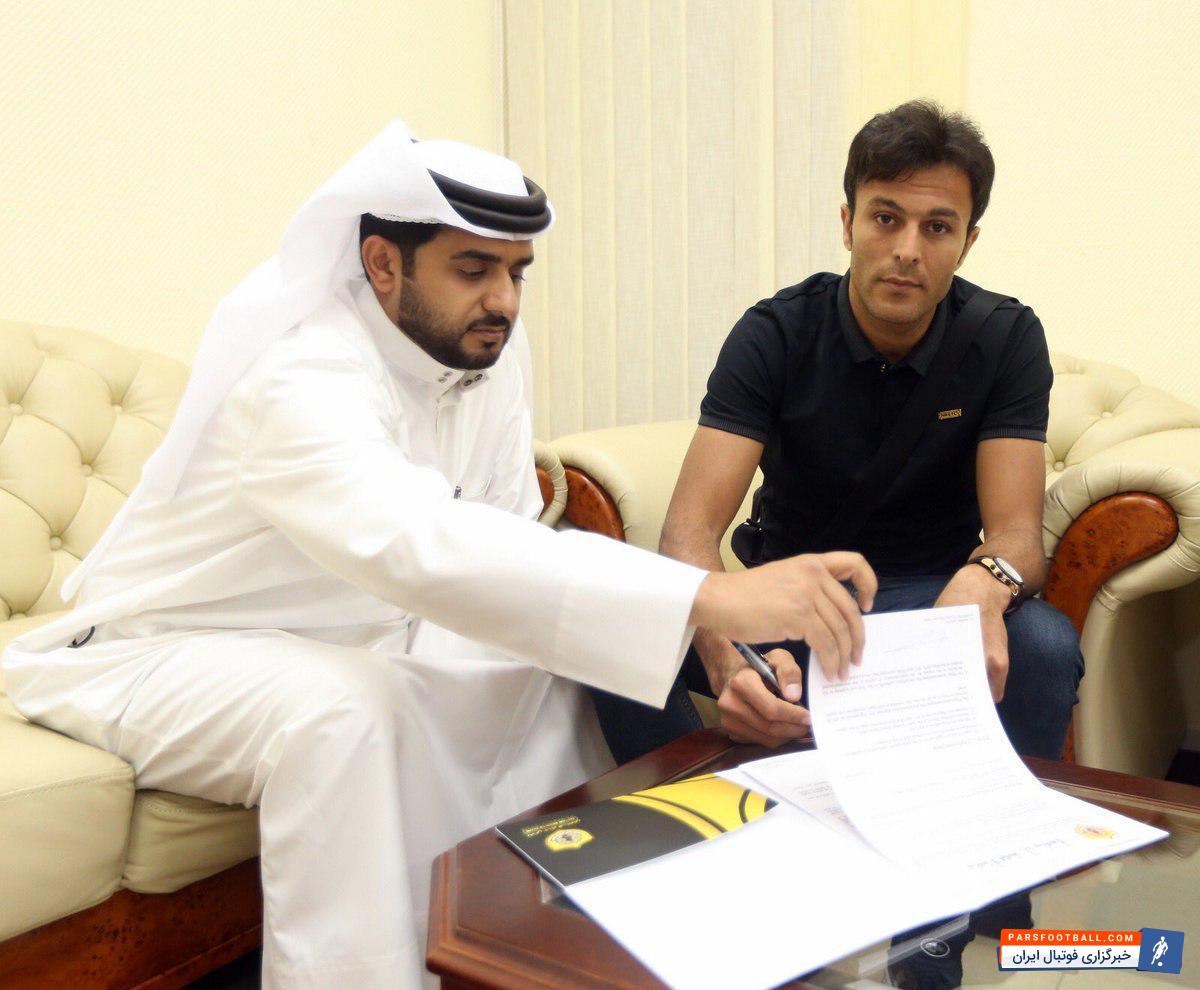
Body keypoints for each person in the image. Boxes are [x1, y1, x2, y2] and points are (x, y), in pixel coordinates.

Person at [1, 121, 876, 990]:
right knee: (345, 710)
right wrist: (709, 597)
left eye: (516, 272)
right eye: (473, 269)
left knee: (540, 664)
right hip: (161, 650)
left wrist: (718, 648)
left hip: (361, 629)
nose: (503, 299)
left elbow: (505, 541)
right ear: (384, 264)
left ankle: (561, 952)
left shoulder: (489, 352)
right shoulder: (301, 373)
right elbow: (414, 539)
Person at [591, 99, 1083, 988]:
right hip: (784, 598)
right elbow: (689, 534)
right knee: (613, 630)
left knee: (1045, 643)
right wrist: (727, 650)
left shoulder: (1006, 337)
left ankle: (974, 896)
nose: (907, 249)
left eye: (937, 227)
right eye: (886, 218)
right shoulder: (777, 332)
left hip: (923, 602)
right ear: (847, 221)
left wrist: (984, 582)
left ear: (967, 242)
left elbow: (1016, 533)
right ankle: (701, 857)